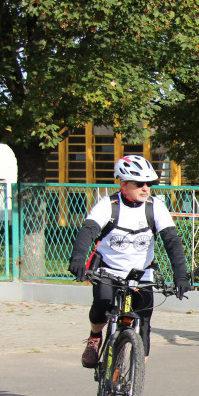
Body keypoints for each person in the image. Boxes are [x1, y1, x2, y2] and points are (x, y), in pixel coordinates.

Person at [68, 155, 191, 368]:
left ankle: (135, 387)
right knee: (101, 306)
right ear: (123, 184)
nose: (146, 188)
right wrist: (78, 260)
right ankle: (95, 337)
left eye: (149, 183)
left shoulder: (156, 207)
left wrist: (180, 275)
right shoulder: (108, 205)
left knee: (143, 325)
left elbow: (172, 241)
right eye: (140, 184)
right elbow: (87, 232)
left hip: (142, 274)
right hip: (109, 271)